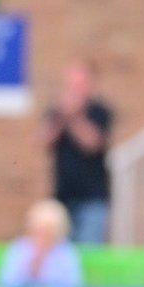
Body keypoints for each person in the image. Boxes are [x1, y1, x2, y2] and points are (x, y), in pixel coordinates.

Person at [41, 60, 113, 244]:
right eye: (71, 84)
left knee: (89, 251)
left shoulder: (99, 111)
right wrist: (61, 117)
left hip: (92, 198)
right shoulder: (56, 112)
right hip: (62, 196)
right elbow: (44, 141)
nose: (74, 89)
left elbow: (92, 143)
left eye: (79, 84)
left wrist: (74, 117)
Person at [0, 199, 82, 287]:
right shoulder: (19, 248)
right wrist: (32, 265)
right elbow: (6, 283)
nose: (43, 236)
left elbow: (73, 286)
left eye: (48, 231)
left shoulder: (66, 252)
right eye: (39, 230)